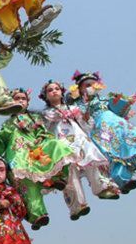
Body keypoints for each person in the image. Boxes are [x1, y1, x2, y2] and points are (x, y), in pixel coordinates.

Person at [0, 88, 76, 229]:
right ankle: (37, 214)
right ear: (10, 102)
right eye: (16, 98)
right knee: (28, 184)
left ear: (28, 103)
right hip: (19, 155)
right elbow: (0, 140)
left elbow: (45, 133)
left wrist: (41, 137)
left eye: (23, 98)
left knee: (57, 145)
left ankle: (57, 177)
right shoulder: (9, 124)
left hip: (36, 151)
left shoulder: (36, 118)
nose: (20, 101)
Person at [71, 71, 136, 193]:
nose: (91, 87)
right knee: (114, 152)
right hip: (102, 128)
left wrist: (124, 102)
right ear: (79, 89)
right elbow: (82, 120)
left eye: (93, 84)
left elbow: (118, 109)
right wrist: (84, 109)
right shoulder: (80, 104)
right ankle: (122, 179)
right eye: (87, 85)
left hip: (119, 124)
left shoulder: (104, 99)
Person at [39, 80, 119, 220]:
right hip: (61, 144)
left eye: (57, 88)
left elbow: (86, 125)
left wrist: (84, 116)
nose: (54, 91)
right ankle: (77, 206)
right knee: (70, 173)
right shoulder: (45, 114)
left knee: (91, 160)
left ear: (62, 91)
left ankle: (102, 188)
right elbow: (42, 132)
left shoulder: (71, 108)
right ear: (45, 95)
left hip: (79, 139)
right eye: (50, 90)